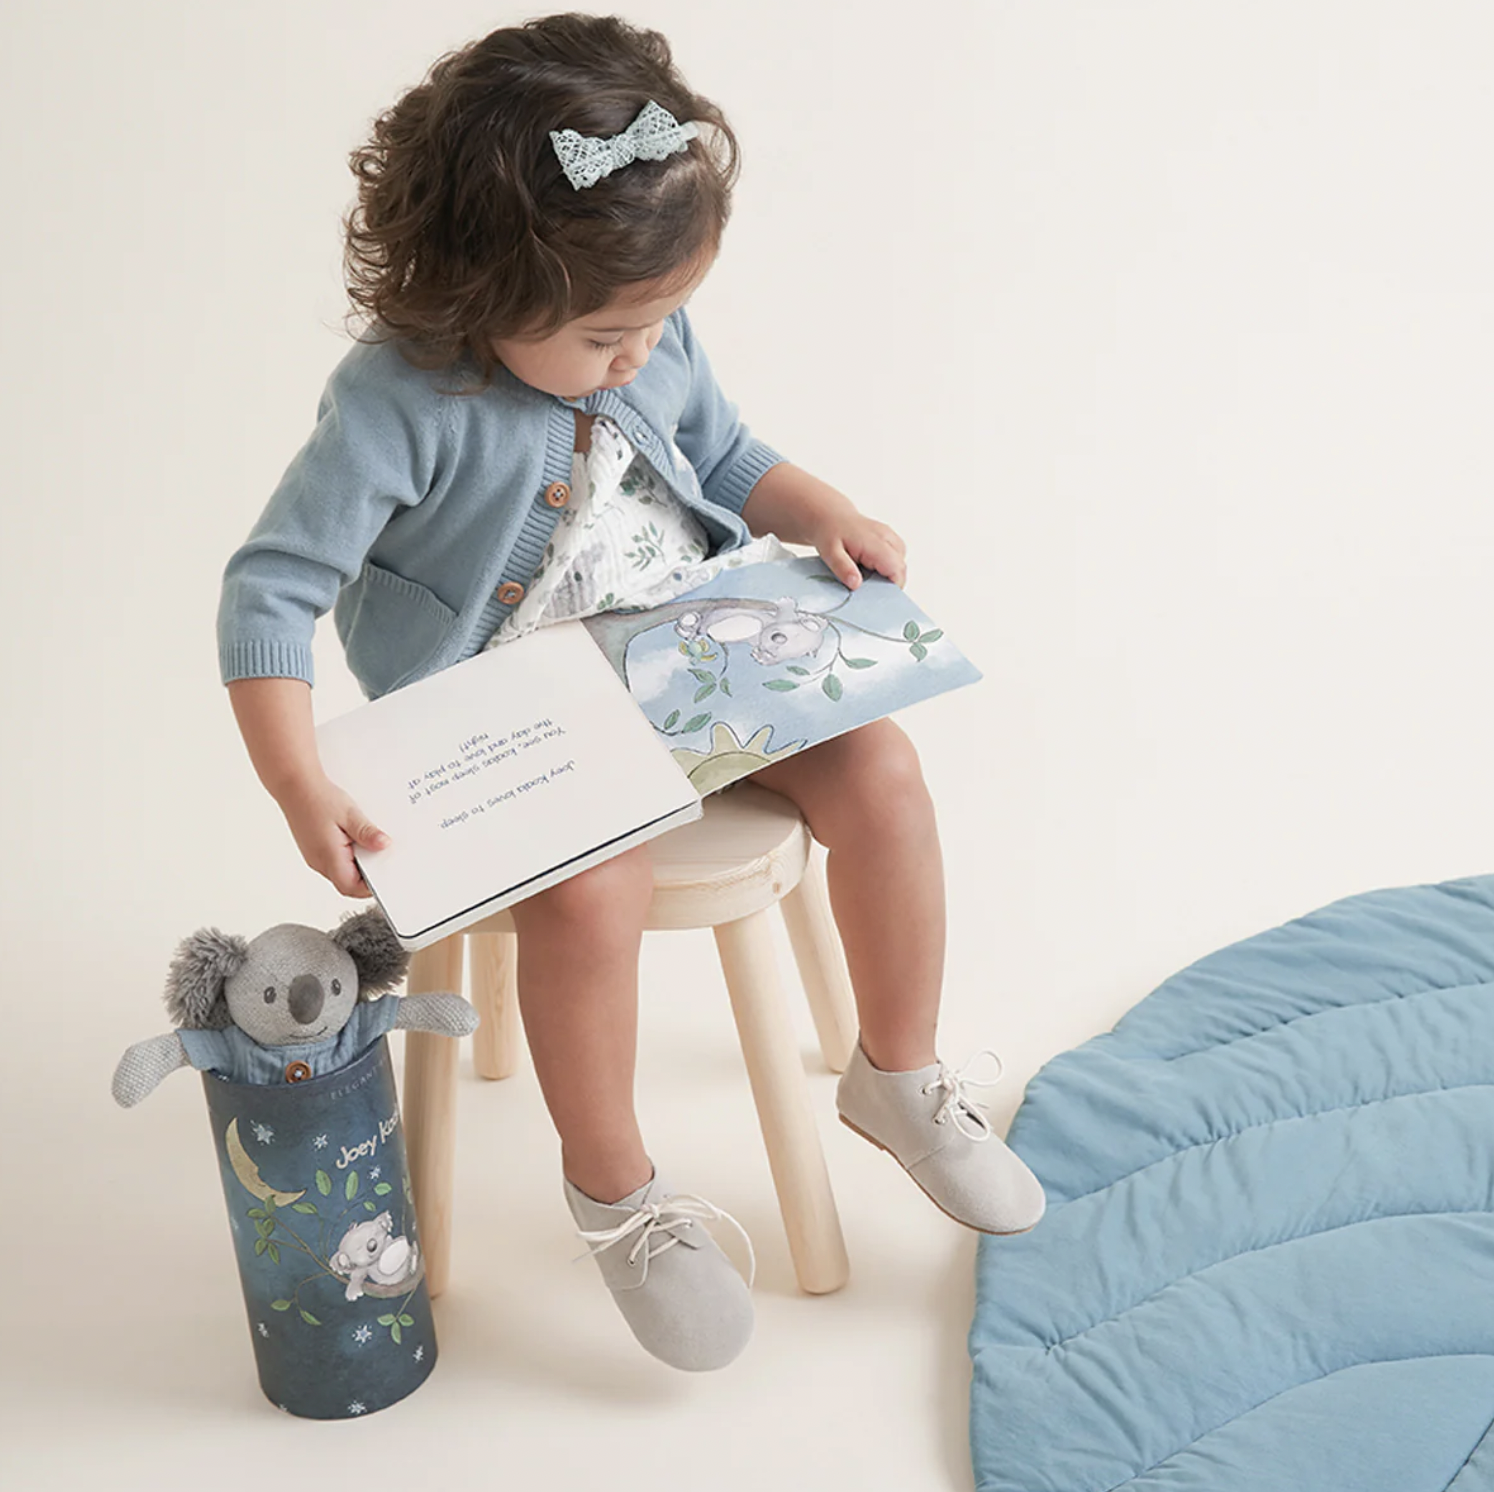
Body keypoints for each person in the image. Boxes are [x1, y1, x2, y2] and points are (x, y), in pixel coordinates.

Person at [219, 12, 1045, 1373]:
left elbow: (726, 452)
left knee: (883, 768)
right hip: (509, 715)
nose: (640, 354)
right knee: (593, 892)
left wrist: (819, 510)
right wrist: (295, 773)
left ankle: (897, 1073)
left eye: (659, 321)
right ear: (481, 286)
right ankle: (616, 1190)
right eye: (611, 333)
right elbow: (268, 588)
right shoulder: (393, 402)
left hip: (679, 658)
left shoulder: (645, 333)